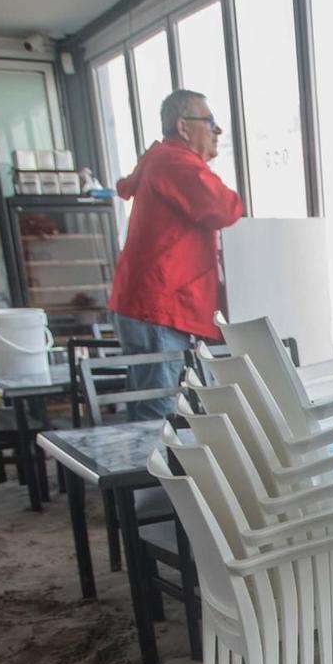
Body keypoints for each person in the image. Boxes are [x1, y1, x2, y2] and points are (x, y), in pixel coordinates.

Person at [109, 89, 243, 419]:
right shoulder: (176, 162)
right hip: (158, 306)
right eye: (210, 122)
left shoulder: (160, 160)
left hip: (149, 305)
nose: (217, 131)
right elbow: (224, 207)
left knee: (152, 408)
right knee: (159, 414)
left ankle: (154, 469)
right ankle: (155, 472)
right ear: (184, 127)